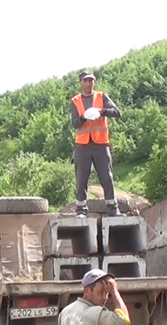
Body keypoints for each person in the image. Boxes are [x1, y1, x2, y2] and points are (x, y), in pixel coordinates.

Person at [70, 70, 123, 217]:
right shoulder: (75, 101)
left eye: (91, 80)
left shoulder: (102, 96)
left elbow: (117, 112)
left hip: (100, 143)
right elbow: (75, 124)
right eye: (85, 80)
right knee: (81, 178)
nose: (88, 83)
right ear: (81, 82)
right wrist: (84, 117)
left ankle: (113, 209)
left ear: (94, 82)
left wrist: (101, 111)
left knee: (106, 177)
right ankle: (81, 210)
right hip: (82, 145)